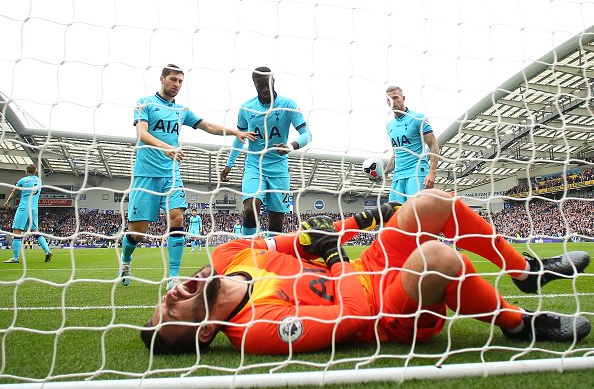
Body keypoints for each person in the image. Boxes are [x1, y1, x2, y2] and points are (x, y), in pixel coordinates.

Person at [140, 189, 590, 354]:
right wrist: (337, 260)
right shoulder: (256, 329)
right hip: (384, 312)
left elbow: (305, 239)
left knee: (431, 203)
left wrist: (363, 222)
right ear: (203, 334)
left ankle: (525, 272)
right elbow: (353, 316)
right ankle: (518, 323)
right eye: (170, 316)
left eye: (161, 303)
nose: (169, 298)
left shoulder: (228, 255)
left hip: (363, 265)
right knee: (440, 258)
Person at [119, 64, 256, 290]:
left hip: (171, 173)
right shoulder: (145, 103)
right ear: (162, 79)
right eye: (173, 79)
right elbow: (141, 133)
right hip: (145, 174)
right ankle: (126, 261)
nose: (177, 85)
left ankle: (173, 277)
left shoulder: (181, 111)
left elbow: (207, 126)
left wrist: (235, 132)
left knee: (177, 219)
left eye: (181, 81)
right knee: (137, 232)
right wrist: (165, 147)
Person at [220, 67, 312, 237]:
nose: (264, 89)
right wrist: (229, 165)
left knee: (276, 222)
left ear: (273, 82)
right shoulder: (247, 109)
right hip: (254, 166)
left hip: (279, 169)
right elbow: (239, 138)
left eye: (267, 84)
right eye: (260, 85)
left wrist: (290, 146)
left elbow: (307, 134)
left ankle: (271, 258)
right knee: (250, 209)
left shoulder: (288, 105)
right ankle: (248, 250)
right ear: (254, 85)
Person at [382, 86, 440, 203]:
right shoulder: (390, 126)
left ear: (403, 98)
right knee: (395, 214)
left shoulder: (417, 118)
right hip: (398, 176)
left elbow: (433, 145)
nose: (393, 102)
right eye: (389, 99)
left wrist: (432, 172)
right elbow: (396, 153)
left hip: (417, 172)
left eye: (395, 98)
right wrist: (384, 173)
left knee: (415, 212)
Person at [3, 164, 53, 264]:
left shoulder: (23, 180)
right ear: (35, 171)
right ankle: (47, 251)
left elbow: (14, 192)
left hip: (24, 208)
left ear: (26, 171)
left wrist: (7, 202)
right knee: (35, 232)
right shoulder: (39, 181)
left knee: (16, 231)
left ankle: (15, 258)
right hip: (34, 209)